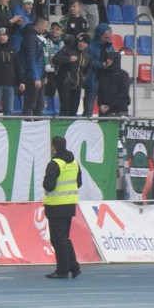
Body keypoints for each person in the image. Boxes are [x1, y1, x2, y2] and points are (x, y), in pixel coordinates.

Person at [43, 136, 82, 279]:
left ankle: (63, 269)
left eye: (51, 145)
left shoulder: (54, 164)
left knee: (58, 239)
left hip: (56, 205)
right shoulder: (74, 163)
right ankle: (74, 267)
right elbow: (79, 183)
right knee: (65, 237)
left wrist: (45, 180)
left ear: (54, 147)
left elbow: (49, 186)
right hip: (70, 204)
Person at [51, 32, 92, 117]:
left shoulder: (88, 56)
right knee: (65, 107)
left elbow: (88, 70)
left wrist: (84, 79)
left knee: (74, 109)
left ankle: (71, 128)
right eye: (80, 42)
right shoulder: (68, 49)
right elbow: (55, 59)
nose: (81, 44)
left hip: (77, 86)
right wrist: (68, 59)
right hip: (65, 83)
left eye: (84, 43)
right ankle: (61, 126)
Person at [96, 51, 131, 118]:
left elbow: (124, 93)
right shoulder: (103, 74)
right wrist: (100, 104)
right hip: (104, 110)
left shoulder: (123, 75)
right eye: (107, 59)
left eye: (110, 59)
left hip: (119, 110)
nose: (107, 61)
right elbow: (100, 92)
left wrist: (111, 106)